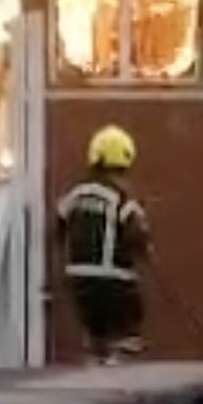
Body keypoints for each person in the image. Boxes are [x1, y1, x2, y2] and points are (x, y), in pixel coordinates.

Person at [55, 124, 150, 364]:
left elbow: (58, 226)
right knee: (129, 327)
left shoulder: (74, 194)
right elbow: (135, 231)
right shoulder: (120, 196)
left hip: (78, 278)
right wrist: (145, 249)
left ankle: (97, 358)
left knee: (95, 331)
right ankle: (118, 365)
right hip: (114, 278)